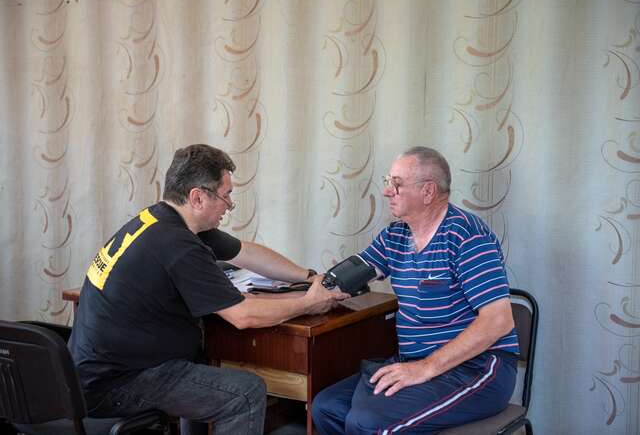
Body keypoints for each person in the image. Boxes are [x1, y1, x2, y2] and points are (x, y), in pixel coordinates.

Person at [68, 144, 349, 435]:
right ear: (198, 197)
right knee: (244, 394)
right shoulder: (178, 245)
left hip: (86, 375)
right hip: (118, 384)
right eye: (226, 195)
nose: (230, 205)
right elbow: (243, 316)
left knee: (199, 360)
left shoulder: (158, 220)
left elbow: (245, 253)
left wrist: (309, 276)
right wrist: (308, 303)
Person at [312, 146, 519, 434]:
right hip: (416, 362)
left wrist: (425, 369)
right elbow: (345, 279)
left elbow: (498, 320)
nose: (386, 192)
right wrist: (312, 289)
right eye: (388, 182)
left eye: (396, 184)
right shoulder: (395, 236)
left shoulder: (467, 237)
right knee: (327, 408)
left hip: (476, 367)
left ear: (428, 192)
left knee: (367, 423)